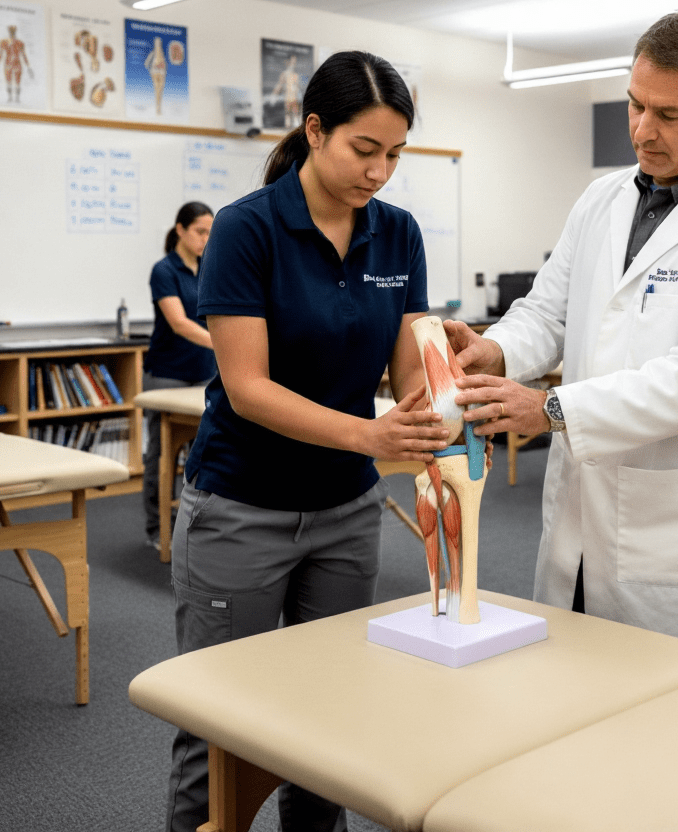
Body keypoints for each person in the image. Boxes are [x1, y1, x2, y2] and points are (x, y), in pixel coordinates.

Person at [446, 11, 678, 663]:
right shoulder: (601, 200)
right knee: (566, 699)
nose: (642, 130)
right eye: (634, 106)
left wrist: (548, 408)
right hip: (580, 514)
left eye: (667, 115)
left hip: (677, 534)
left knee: (672, 729)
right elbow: (547, 313)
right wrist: (491, 349)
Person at [165, 50, 451, 832]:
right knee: (218, 726)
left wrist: (441, 396)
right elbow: (249, 390)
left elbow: (408, 373)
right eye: (365, 150)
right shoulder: (245, 230)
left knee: (330, 724)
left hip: (345, 514)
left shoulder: (398, 236)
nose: (380, 172)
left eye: (395, 155)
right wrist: (373, 431)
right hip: (239, 510)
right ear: (314, 129)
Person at [140, 202, 218, 549]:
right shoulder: (164, 270)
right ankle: (157, 529)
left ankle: (194, 524)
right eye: (200, 231)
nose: (206, 238)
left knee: (202, 451)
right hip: (167, 374)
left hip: (204, 372)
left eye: (210, 233)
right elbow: (179, 322)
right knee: (161, 452)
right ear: (180, 230)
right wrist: (227, 344)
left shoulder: (209, 267)